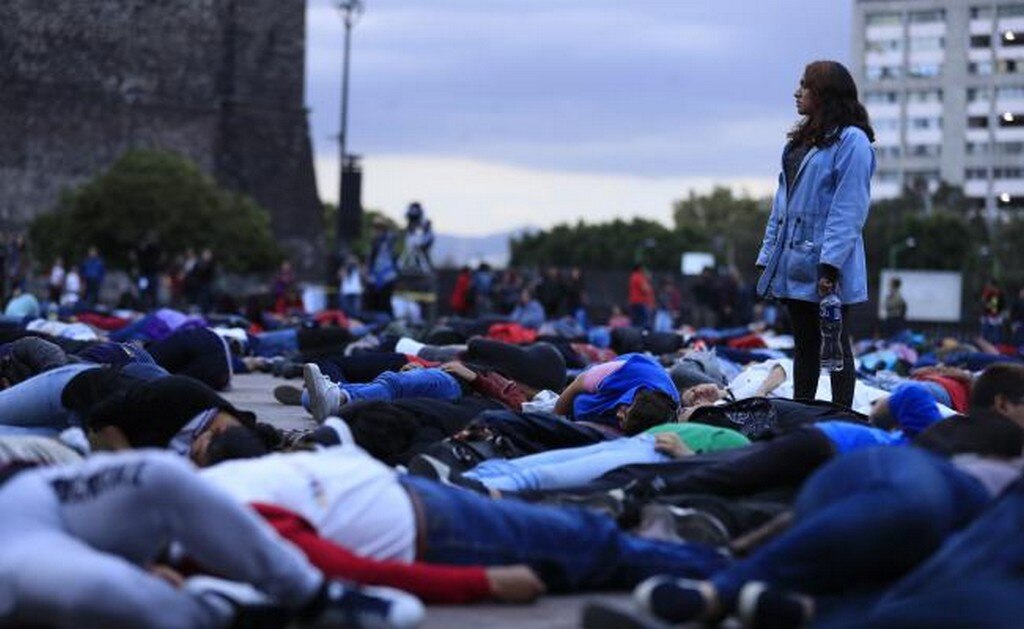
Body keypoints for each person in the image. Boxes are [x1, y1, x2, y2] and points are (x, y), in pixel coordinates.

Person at [0, 451, 423, 628]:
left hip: (19, 490)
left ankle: (311, 596)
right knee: (93, 589)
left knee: (159, 472)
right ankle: (229, 613)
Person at [755, 60, 875, 409]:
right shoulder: (798, 143)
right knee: (804, 345)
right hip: (793, 261)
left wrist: (830, 266)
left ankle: (841, 415)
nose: (797, 92)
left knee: (835, 345)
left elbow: (849, 208)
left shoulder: (852, 141)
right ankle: (800, 413)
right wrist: (767, 257)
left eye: (805, 86)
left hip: (827, 266)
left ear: (824, 94)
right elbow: (782, 206)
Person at [366, 220, 399, 316]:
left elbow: (394, 235)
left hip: (386, 277)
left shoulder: (386, 240)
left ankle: (388, 322)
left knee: (385, 303)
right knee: (373, 303)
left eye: (377, 229)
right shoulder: (374, 243)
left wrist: (387, 228)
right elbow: (371, 260)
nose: (374, 232)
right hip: (374, 278)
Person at [628, 264, 655, 329]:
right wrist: (648, 280)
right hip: (641, 303)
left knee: (635, 322)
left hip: (634, 302)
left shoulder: (633, 276)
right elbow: (645, 289)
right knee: (644, 322)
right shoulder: (639, 276)